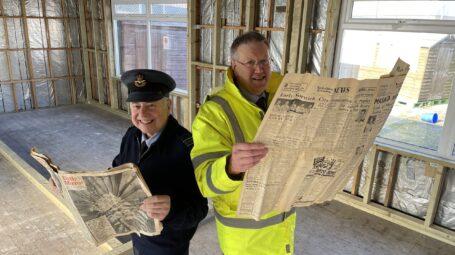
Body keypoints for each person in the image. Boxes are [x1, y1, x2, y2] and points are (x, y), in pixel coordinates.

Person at [191, 32, 296, 255]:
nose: (260, 69)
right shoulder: (214, 112)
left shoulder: (284, 95)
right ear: (233, 65)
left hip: (283, 226)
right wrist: (230, 168)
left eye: (265, 61)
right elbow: (204, 182)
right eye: (250, 62)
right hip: (244, 240)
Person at [113, 69, 208, 255]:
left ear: (168, 105)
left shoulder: (187, 147)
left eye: (151, 105)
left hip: (168, 247)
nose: (143, 114)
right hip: (137, 235)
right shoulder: (131, 136)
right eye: (136, 106)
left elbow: (199, 209)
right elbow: (117, 169)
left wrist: (172, 210)